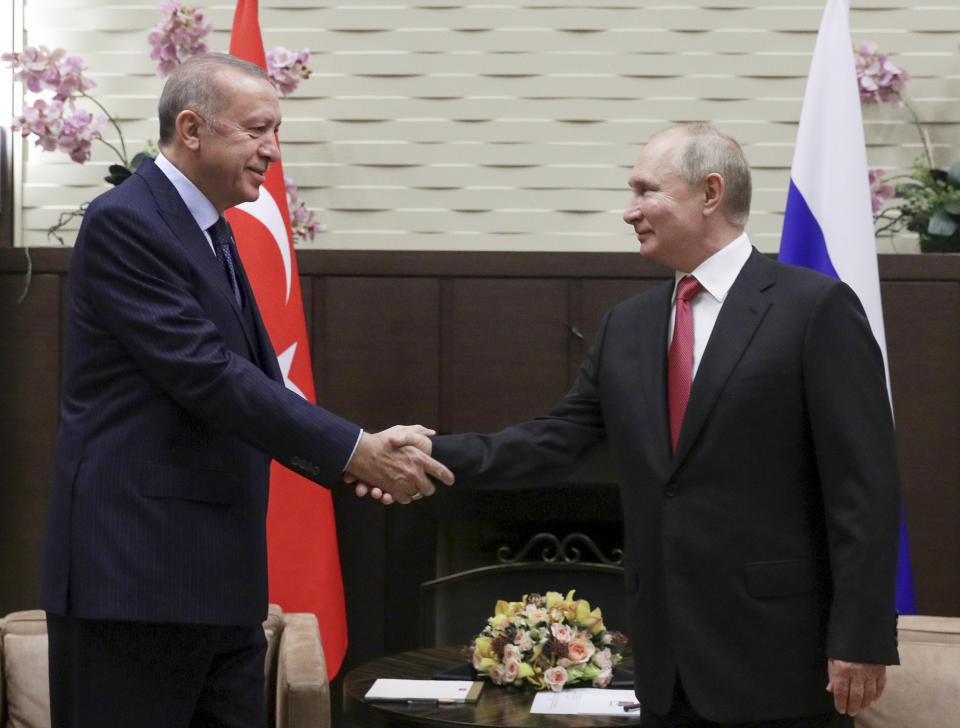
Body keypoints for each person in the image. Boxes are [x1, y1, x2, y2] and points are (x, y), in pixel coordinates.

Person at [362, 123, 902, 727]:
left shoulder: (814, 309)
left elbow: (865, 489)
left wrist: (861, 639)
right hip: (664, 664)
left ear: (710, 192)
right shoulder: (631, 324)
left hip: (779, 658)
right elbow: (556, 439)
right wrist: (431, 452)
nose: (630, 211)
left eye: (647, 191)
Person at [42, 52, 453, 728]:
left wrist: (360, 450)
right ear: (193, 128)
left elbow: (250, 381)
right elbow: (205, 373)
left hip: (217, 581)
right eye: (258, 130)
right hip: (137, 578)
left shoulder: (213, 230)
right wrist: (356, 450)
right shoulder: (128, 221)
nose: (273, 151)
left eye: (277, 131)